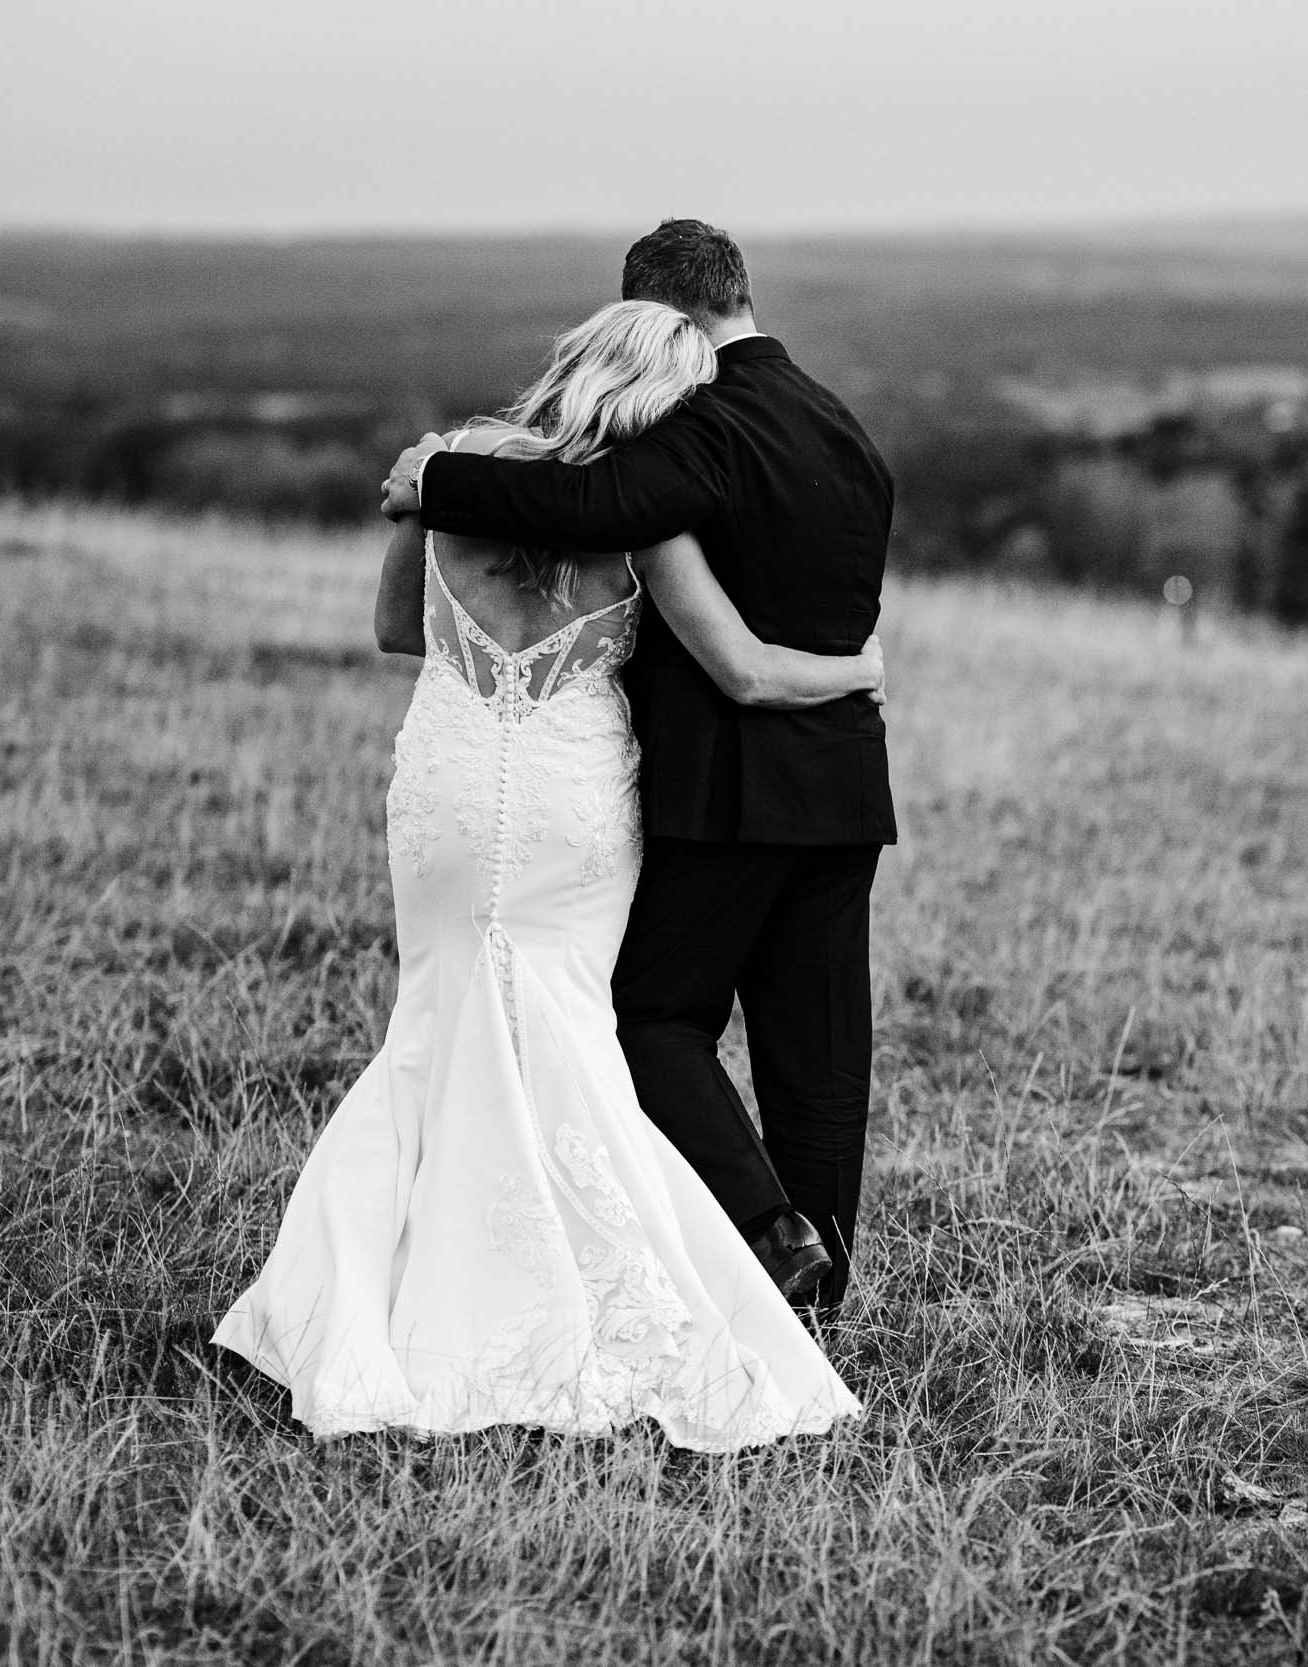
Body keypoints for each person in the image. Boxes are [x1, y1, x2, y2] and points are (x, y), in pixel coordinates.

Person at [215, 300, 877, 1448]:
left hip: (454, 781)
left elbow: (393, 628)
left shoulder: (451, 475)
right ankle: (652, 1268)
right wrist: (863, 660)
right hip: (576, 800)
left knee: (436, 1019)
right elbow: (731, 664)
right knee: (570, 1025)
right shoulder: (649, 529)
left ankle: (382, 1285)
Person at [381, 219, 896, 1316]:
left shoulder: (706, 418)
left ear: (661, 318)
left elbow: (588, 506)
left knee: (652, 1016)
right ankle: (815, 1298)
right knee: (822, 1062)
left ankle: (769, 1231)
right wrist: (856, 670)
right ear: (740, 293)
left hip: (730, 792)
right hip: (846, 790)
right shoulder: (842, 427)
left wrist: (434, 474)